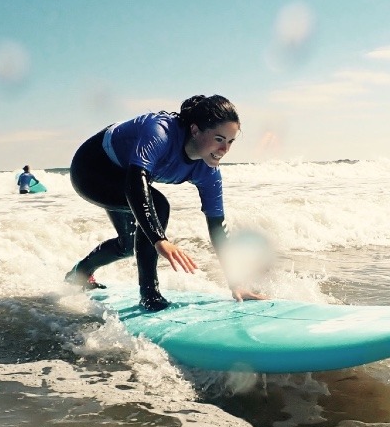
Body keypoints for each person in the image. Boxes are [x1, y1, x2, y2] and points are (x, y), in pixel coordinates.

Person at [66, 95, 264, 311]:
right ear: (195, 130)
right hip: (91, 168)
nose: (225, 150)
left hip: (124, 176)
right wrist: (160, 239)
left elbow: (217, 226)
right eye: (219, 139)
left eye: (230, 141)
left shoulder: (209, 172)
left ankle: (80, 274)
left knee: (128, 243)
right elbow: (135, 181)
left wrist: (235, 283)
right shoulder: (160, 131)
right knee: (159, 207)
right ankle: (150, 295)